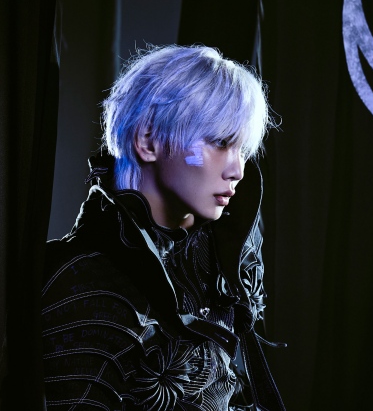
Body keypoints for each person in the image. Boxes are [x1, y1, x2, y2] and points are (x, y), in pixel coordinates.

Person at [40, 45, 285, 411]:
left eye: (243, 150)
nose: (236, 170)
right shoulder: (81, 281)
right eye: (220, 142)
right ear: (148, 141)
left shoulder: (220, 252)